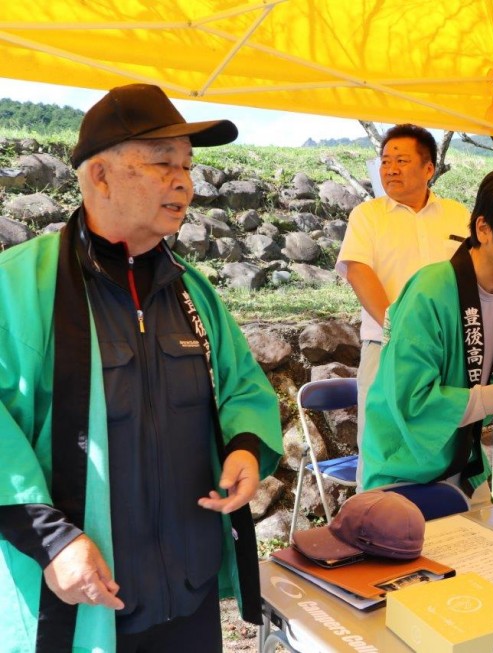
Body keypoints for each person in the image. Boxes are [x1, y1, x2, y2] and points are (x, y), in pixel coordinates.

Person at [0, 84, 283, 652]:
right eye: (161, 163)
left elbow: (242, 386)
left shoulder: (193, 293)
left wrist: (247, 448)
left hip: (189, 594)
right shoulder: (17, 287)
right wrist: (52, 541)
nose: (184, 181)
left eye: (187, 165)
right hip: (81, 596)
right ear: (98, 177)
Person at [359, 168, 493, 502]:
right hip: (405, 465)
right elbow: (413, 402)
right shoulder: (429, 292)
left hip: (464, 459)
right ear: (483, 229)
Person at [335, 124, 470, 488]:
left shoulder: (459, 216)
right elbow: (358, 273)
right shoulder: (367, 215)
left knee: (447, 441)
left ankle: (449, 529)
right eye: (385, 160)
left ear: (429, 169)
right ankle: (374, 533)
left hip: (447, 355)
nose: (390, 168)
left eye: (401, 160)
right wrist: (399, 328)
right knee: (382, 445)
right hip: (386, 346)